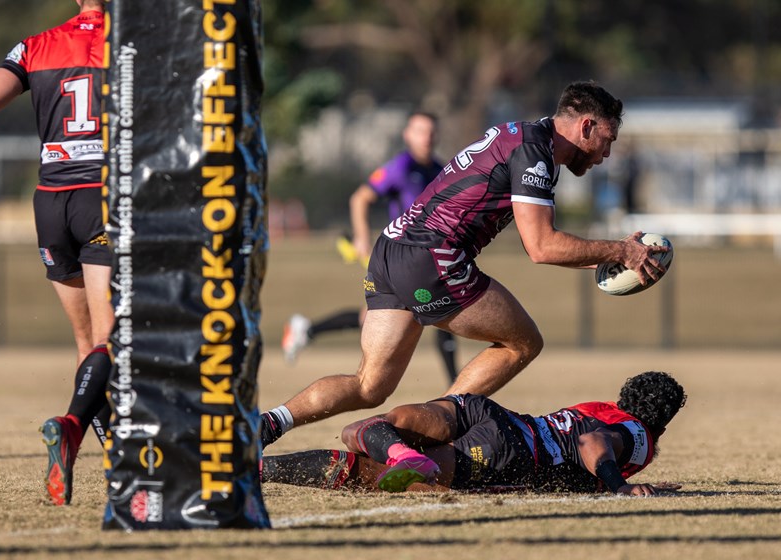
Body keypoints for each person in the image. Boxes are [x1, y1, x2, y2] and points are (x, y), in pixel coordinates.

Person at [261, 81, 671, 448]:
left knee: (369, 386)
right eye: (608, 139)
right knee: (523, 342)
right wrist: (620, 252)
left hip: (391, 249)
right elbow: (543, 247)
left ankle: (267, 425)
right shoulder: (535, 153)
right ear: (585, 127)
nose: (607, 154)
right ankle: (432, 431)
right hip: (431, 259)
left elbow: (548, 242)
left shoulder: (524, 136)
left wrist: (608, 262)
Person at [0, 0, 111, 506]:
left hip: (51, 204)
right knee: (114, 341)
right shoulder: (133, 44)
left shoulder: (36, 46)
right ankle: (71, 426)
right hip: (103, 196)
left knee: (87, 344)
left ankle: (114, 457)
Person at [262, 371, 686, 496]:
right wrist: (618, 486)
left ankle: (252, 465)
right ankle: (406, 461)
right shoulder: (638, 435)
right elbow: (592, 444)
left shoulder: (605, 406)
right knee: (366, 475)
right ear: (661, 422)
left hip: (486, 411)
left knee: (359, 429)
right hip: (511, 450)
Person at [282, 111, 459, 382]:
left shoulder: (438, 169)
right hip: (398, 256)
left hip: (423, 257)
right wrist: (362, 236)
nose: (427, 137)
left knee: (380, 316)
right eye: (420, 131)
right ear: (407, 135)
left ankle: (306, 330)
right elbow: (360, 199)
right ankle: (457, 389)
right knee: (440, 306)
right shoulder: (399, 167)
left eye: (431, 131)